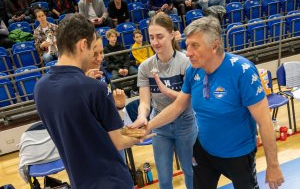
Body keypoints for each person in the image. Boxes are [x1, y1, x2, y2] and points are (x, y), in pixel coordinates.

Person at [132, 16, 285, 189]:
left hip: (238, 154)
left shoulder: (243, 71)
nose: (188, 52)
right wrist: (148, 126)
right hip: (204, 150)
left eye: (195, 46)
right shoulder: (193, 70)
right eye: (187, 45)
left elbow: (264, 122)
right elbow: (177, 106)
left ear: (214, 45)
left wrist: (273, 165)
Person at [34, 13, 147, 188]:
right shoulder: (94, 88)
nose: (94, 55)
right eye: (92, 49)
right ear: (83, 45)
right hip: (112, 181)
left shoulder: (40, 89)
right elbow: (119, 141)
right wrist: (141, 132)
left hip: (80, 181)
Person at [131, 12, 198, 189]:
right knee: (164, 177)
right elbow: (145, 102)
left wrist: (168, 92)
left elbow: (188, 100)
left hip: (185, 123)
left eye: (159, 36)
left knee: (191, 171)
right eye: (151, 37)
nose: (155, 42)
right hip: (160, 125)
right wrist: (141, 117)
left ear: (172, 34)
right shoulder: (145, 67)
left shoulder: (186, 62)